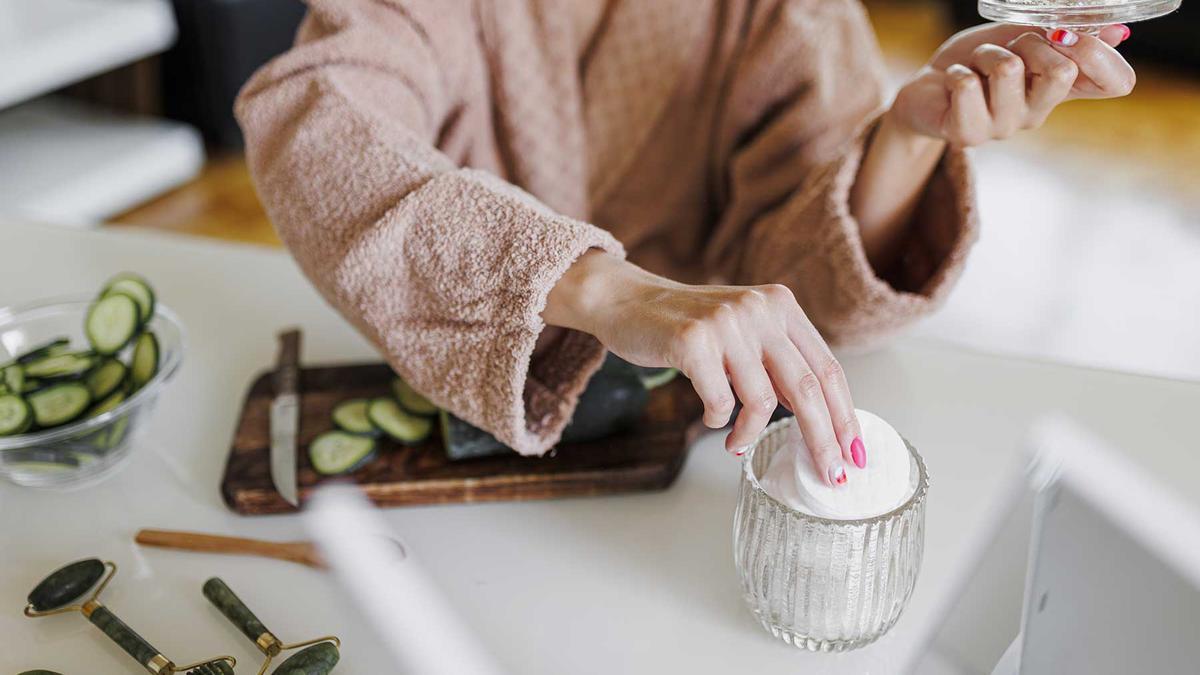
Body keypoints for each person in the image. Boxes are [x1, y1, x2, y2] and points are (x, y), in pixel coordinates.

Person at [236, 0, 1134, 487]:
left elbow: (812, 292)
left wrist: (908, 137)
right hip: (460, 420)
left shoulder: (788, 15)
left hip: (706, 444)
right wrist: (605, 290)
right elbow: (314, 119)